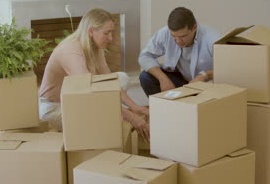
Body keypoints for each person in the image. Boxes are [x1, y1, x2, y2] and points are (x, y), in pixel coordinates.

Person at [39, 8, 150, 141]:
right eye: (106, 33)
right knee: (103, 118)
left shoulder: (95, 47)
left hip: (78, 98)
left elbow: (110, 82)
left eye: (111, 33)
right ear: (91, 31)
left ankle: (114, 111)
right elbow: (91, 95)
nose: (110, 38)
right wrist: (130, 116)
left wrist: (134, 107)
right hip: (55, 107)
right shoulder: (70, 51)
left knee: (122, 78)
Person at [138, 7, 222, 96]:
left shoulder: (212, 38)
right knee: (146, 77)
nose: (178, 41)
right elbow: (145, 56)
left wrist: (205, 75)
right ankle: (165, 108)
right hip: (182, 78)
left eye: (183, 36)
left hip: (207, 83)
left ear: (194, 28)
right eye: (173, 36)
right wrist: (162, 78)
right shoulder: (165, 32)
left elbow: (227, 70)